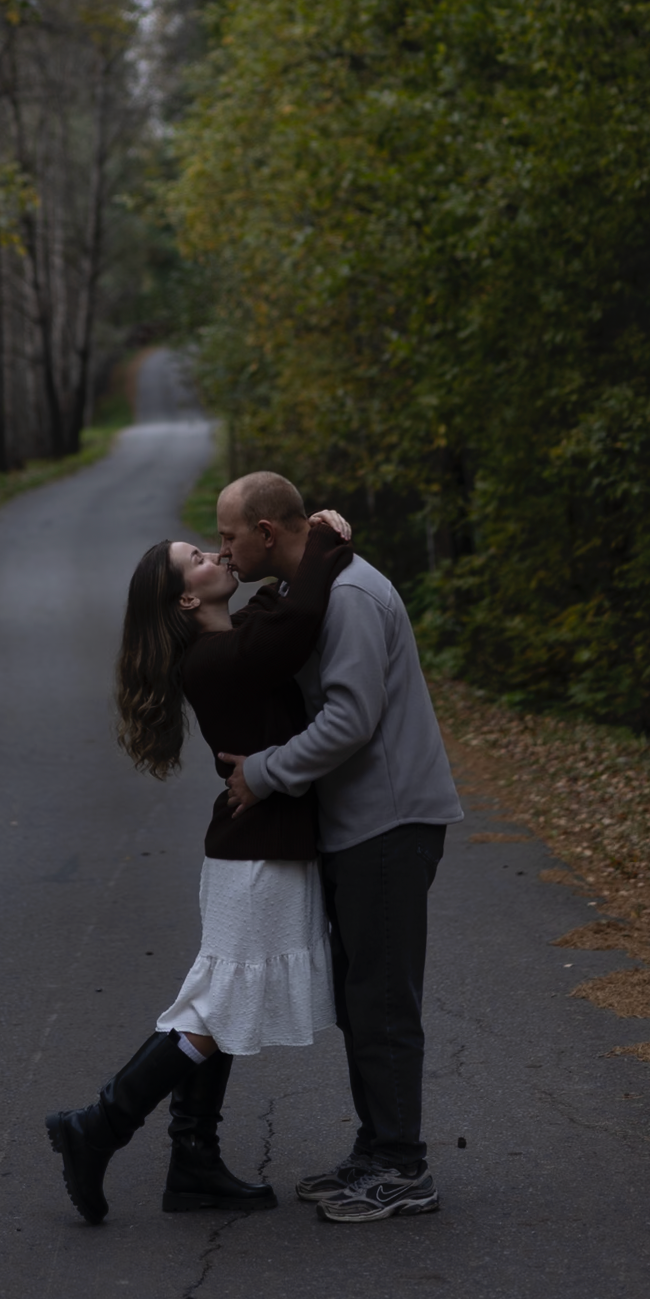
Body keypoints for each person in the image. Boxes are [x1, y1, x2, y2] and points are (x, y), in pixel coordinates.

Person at [45, 509, 352, 1226]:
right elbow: (296, 621)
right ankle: (100, 1125)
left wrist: (297, 553)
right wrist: (324, 542)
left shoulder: (233, 639)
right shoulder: (212, 662)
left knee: (218, 1005)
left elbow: (275, 611)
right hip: (257, 855)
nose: (217, 555)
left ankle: (192, 1160)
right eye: (200, 558)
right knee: (219, 1010)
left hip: (255, 848)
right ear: (187, 597)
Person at [216, 472, 462, 1225]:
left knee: (382, 1002)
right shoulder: (313, 587)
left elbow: (351, 719)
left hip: (389, 823)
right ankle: (378, 1148)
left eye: (228, 536)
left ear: (266, 532)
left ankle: (404, 1169)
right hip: (362, 825)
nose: (222, 551)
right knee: (363, 1001)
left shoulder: (350, 596)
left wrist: (264, 773)